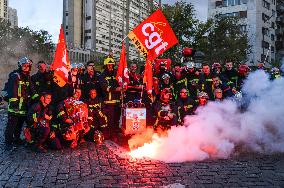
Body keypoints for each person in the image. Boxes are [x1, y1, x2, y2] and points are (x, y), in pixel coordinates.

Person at [5, 57, 33, 150]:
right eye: (24, 66)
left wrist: (38, 98)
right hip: (15, 107)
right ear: (20, 66)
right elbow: (12, 92)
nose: (26, 68)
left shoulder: (27, 77)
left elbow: (32, 90)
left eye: (27, 66)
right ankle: (8, 143)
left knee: (19, 125)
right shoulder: (15, 76)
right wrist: (14, 105)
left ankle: (16, 139)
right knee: (11, 125)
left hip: (24, 107)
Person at [100, 57, 121, 141]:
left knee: (116, 119)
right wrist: (116, 89)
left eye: (111, 65)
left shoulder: (116, 74)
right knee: (110, 120)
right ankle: (111, 135)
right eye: (108, 65)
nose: (110, 66)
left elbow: (120, 81)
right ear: (105, 65)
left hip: (117, 101)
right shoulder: (102, 75)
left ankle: (115, 133)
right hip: (109, 102)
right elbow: (105, 87)